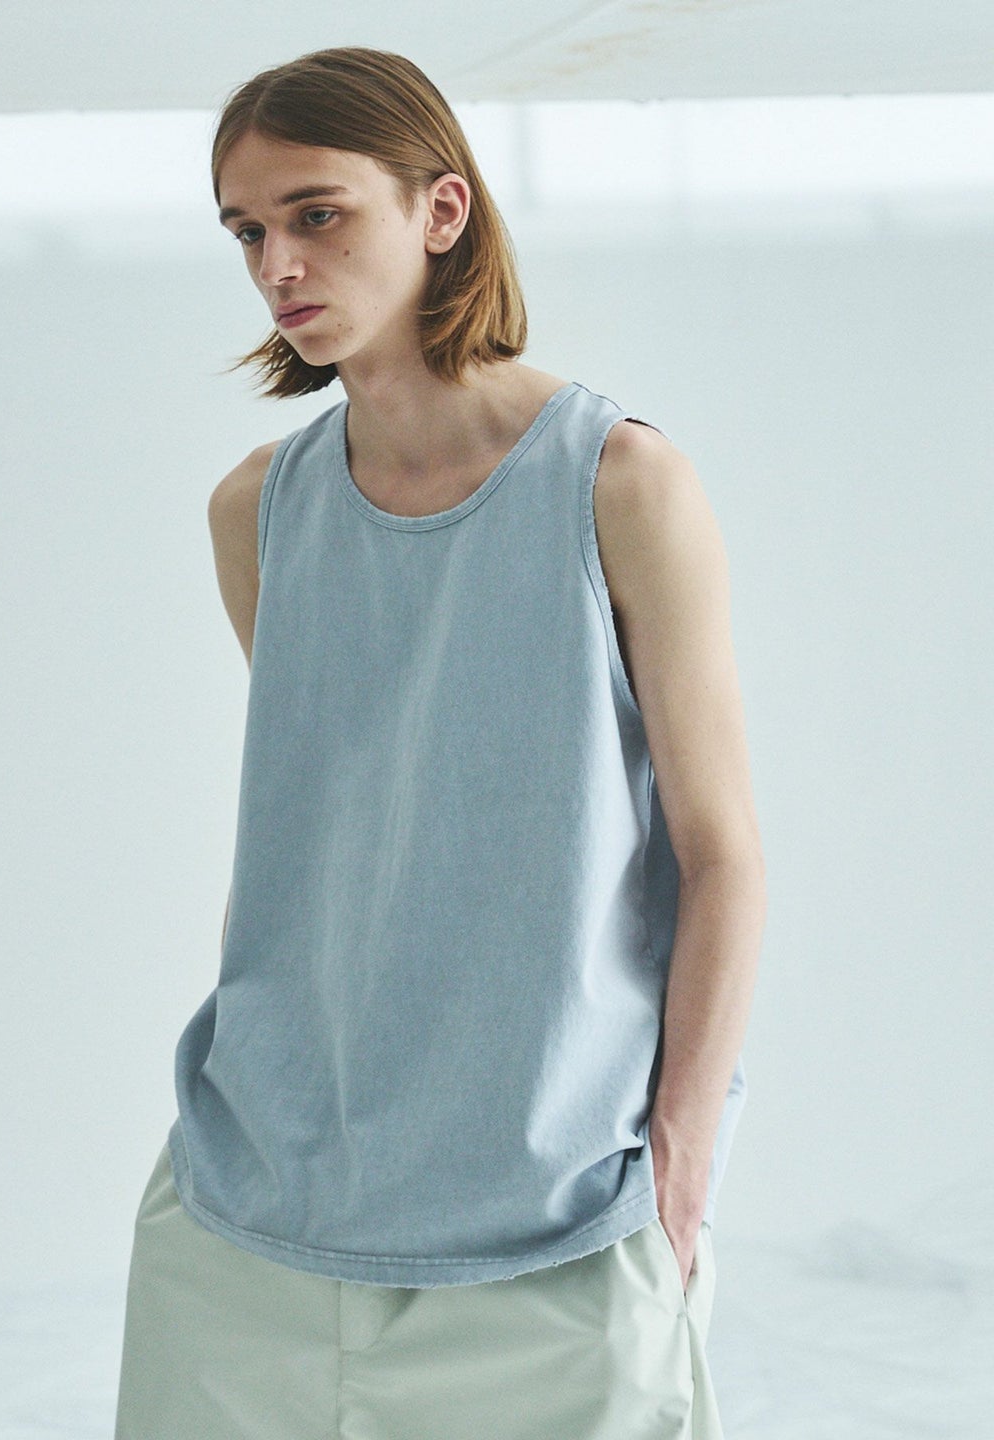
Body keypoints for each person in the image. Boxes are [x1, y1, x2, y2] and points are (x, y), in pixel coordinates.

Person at [115, 45, 767, 1440]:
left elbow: (723, 855)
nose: (280, 265)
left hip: (554, 1217)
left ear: (441, 210)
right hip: (252, 1209)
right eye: (248, 232)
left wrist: (682, 1160)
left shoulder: (621, 483)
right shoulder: (256, 511)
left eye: (316, 213)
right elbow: (331, 827)